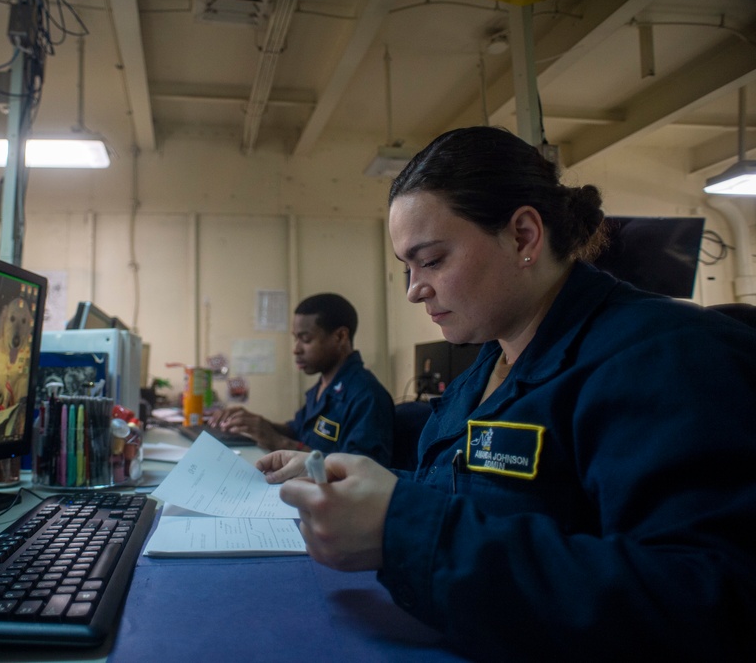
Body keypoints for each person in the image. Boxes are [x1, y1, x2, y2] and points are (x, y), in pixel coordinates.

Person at [256, 127, 756, 661]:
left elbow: (707, 600)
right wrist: (357, 486)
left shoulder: (667, 359)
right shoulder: (486, 369)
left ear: (522, 236)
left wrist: (403, 530)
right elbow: (484, 497)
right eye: (407, 267)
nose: (413, 289)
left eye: (432, 260)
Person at [210, 293, 393, 466]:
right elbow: (297, 431)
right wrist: (256, 423)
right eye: (295, 339)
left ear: (340, 336)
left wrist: (278, 441)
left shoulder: (366, 396)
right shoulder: (323, 386)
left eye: (305, 339)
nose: (296, 349)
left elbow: (361, 473)